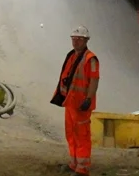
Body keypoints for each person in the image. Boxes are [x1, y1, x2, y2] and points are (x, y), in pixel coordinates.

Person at [52, 25, 99, 175]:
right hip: (70, 103)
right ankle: (74, 163)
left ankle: (83, 167)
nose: (76, 41)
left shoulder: (90, 59)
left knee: (82, 135)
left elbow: (94, 80)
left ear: (86, 40)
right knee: (71, 133)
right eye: (74, 38)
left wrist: (89, 98)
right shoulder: (72, 56)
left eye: (79, 39)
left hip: (81, 104)